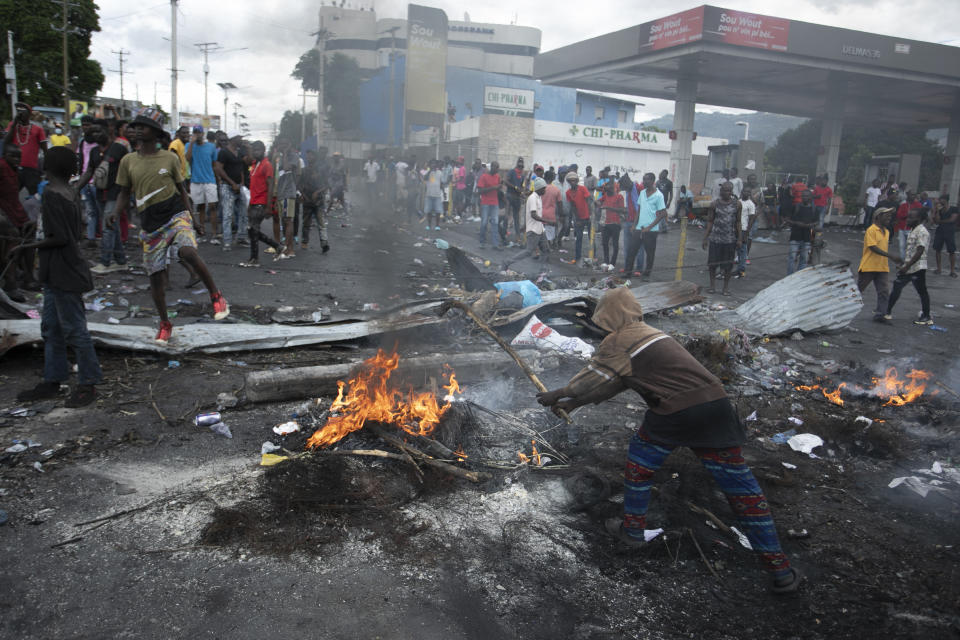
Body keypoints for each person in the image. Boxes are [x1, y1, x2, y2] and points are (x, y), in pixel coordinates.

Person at [535, 288, 800, 594]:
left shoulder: (619, 339)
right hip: (716, 408)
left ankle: (632, 531)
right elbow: (617, 383)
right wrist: (574, 404)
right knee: (741, 490)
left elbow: (593, 377)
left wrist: (558, 394)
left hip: (676, 411)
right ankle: (780, 569)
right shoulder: (651, 333)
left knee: (639, 463)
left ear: (609, 316)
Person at [114, 108, 229, 343]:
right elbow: (124, 193)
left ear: (155, 132)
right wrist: (115, 213)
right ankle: (165, 323)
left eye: (142, 126)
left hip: (176, 215)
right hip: (150, 225)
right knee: (157, 279)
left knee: (187, 251)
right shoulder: (128, 161)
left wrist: (194, 219)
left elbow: (182, 191)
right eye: (135, 126)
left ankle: (216, 296)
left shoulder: (170, 158)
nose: (136, 130)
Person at [13, 146, 102, 407]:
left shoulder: (52, 194)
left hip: (62, 270)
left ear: (46, 167)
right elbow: (59, 228)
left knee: (74, 329)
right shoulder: (69, 192)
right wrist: (37, 228)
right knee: (51, 328)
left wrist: (25, 247)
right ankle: (53, 378)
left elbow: (61, 237)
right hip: (59, 270)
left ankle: (88, 382)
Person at [86, 121, 129, 274]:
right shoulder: (94, 152)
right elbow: (90, 170)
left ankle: (105, 262)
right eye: (94, 133)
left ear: (108, 130)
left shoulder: (119, 149)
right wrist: (77, 187)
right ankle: (120, 261)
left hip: (115, 194)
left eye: (99, 131)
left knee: (107, 228)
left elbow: (129, 169)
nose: (96, 135)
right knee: (113, 227)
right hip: (100, 193)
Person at [885, 208, 932, 325]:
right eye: (908, 217)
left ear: (919, 219)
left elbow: (920, 250)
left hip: (917, 268)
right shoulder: (913, 230)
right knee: (897, 286)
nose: (908, 220)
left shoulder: (922, 231)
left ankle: (926, 316)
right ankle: (887, 311)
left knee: (921, 291)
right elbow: (911, 250)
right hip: (909, 266)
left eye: (911, 217)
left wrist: (907, 266)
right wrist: (904, 264)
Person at [240, 141, 283, 267]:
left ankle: (255, 259)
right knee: (252, 230)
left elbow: (270, 186)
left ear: (263, 150)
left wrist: (269, 206)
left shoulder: (267, 165)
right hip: (254, 201)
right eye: (254, 150)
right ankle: (276, 246)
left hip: (261, 202)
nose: (255, 152)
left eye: (258, 150)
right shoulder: (255, 164)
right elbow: (246, 161)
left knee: (253, 229)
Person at [857, 207, 902, 323]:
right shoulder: (871, 230)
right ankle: (843, 310)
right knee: (858, 291)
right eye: (886, 215)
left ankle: (880, 315)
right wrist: (891, 256)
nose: (889, 217)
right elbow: (872, 247)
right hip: (869, 266)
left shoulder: (886, 231)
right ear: (878, 217)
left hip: (882, 267)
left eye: (890, 215)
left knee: (883, 292)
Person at [0, 145, 32, 301]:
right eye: (13, 157)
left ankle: (28, 276)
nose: (17, 160)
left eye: (19, 157)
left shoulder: (15, 171)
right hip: (4, 213)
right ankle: (10, 282)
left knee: (29, 233)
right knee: (12, 238)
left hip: (13, 209)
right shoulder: (2, 167)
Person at [623, 173, 667, 281]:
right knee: (631, 250)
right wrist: (634, 225)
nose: (644, 182)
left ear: (653, 181)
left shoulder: (659, 195)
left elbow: (663, 213)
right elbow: (639, 209)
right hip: (639, 227)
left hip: (651, 230)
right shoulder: (642, 193)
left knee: (650, 253)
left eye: (646, 180)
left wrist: (649, 227)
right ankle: (628, 272)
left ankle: (646, 275)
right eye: (643, 179)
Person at [502, 177, 549, 271]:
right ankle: (507, 262)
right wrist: (547, 221)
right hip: (533, 230)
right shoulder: (532, 198)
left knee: (546, 250)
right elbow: (533, 215)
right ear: (539, 188)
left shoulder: (539, 197)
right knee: (528, 251)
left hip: (540, 229)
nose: (545, 190)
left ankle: (542, 270)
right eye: (544, 188)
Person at [702, 181, 741, 294]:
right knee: (712, 264)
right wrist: (705, 238)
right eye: (723, 190)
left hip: (729, 240)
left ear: (731, 192)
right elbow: (710, 221)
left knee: (728, 266)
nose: (725, 192)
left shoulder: (737, 204)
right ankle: (712, 286)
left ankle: (725, 288)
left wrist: (739, 239)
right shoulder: (714, 204)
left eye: (727, 190)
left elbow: (738, 222)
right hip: (715, 239)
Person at [213, 133, 248, 252]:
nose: (241, 140)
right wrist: (231, 182)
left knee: (243, 213)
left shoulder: (239, 152)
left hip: (238, 186)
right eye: (239, 138)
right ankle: (227, 241)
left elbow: (242, 166)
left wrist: (241, 182)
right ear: (233, 139)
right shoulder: (224, 152)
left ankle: (241, 237)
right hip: (227, 186)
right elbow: (218, 168)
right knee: (228, 215)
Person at [3, 102, 47, 195]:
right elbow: (6, 142)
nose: (20, 113)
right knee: (10, 195)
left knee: (35, 196)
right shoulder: (12, 125)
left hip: (31, 170)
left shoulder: (38, 129)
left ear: (29, 114)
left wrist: (47, 169)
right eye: (18, 111)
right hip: (13, 169)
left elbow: (45, 150)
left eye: (23, 111)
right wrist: (14, 124)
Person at [185, 125, 219, 242]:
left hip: (210, 180)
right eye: (195, 132)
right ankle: (202, 232)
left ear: (203, 134)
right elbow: (187, 158)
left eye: (199, 132)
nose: (197, 134)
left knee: (213, 206)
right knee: (200, 207)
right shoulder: (189, 146)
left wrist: (217, 179)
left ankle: (214, 234)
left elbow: (214, 164)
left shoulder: (211, 147)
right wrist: (191, 143)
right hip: (196, 181)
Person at [300, 148, 330, 252]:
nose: (309, 157)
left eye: (311, 155)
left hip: (319, 201)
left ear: (315, 157)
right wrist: (303, 195)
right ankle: (304, 242)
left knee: (321, 223)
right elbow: (300, 185)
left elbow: (326, 185)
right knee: (306, 223)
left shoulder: (321, 170)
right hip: (307, 200)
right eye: (307, 155)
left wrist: (317, 192)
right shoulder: (304, 170)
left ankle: (324, 243)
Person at [784, 189, 816, 275]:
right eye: (803, 196)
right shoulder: (795, 206)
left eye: (807, 196)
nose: (804, 198)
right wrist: (796, 223)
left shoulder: (814, 209)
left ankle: (799, 276)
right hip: (795, 236)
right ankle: (789, 276)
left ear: (810, 197)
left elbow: (817, 222)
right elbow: (787, 219)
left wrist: (810, 225)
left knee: (804, 259)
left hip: (807, 238)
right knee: (792, 257)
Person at [565, 173, 592, 264]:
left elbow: (588, 201)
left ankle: (593, 256)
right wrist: (577, 219)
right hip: (579, 218)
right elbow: (573, 206)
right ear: (569, 182)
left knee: (591, 238)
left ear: (576, 181)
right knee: (579, 238)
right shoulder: (568, 193)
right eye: (570, 180)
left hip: (588, 217)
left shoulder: (583, 189)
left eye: (574, 180)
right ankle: (577, 257)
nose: (572, 182)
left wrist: (590, 215)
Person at [598, 180, 626, 267]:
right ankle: (606, 261)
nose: (606, 191)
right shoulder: (606, 196)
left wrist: (609, 208)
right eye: (605, 189)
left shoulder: (619, 197)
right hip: (606, 223)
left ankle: (612, 263)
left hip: (615, 223)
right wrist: (599, 204)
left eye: (607, 189)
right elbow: (598, 201)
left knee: (615, 244)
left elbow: (622, 210)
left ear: (613, 189)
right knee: (605, 243)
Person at [477, 161, 501, 249]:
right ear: (492, 167)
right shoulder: (484, 176)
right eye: (496, 167)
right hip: (485, 202)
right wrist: (493, 188)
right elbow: (479, 190)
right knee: (484, 223)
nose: (497, 169)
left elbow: (498, 189)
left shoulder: (497, 177)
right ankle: (482, 242)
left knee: (495, 223)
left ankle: (495, 244)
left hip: (494, 202)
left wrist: (499, 188)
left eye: (498, 167)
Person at [503, 157, 526, 246]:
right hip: (509, 196)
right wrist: (515, 187)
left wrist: (522, 192)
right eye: (519, 162)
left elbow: (522, 186)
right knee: (506, 216)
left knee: (516, 218)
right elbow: (506, 181)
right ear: (517, 163)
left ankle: (517, 237)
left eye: (522, 163)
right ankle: (504, 234)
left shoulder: (522, 175)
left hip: (517, 198)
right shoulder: (512, 172)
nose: (520, 164)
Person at [931, 195, 957, 277]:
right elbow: (935, 221)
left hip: (949, 231)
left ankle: (952, 270)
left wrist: (941, 221)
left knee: (951, 251)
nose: (939, 201)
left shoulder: (953, 209)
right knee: (938, 249)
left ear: (945, 200)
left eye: (941, 199)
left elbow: (952, 219)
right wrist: (936, 210)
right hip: (940, 231)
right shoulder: (940, 209)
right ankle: (939, 269)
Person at [735, 187, 757, 278]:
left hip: (744, 229)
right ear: (742, 192)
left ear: (750, 193)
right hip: (735, 228)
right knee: (735, 249)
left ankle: (741, 270)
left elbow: (751, 219)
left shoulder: (751, 204)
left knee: (742, 250)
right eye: (745, 191)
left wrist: (747, 232)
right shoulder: (737, 202)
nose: (746, 193)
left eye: (748, 191)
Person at [894, 191, 921, 260]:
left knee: (911, 246)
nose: (913, 196)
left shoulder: (918, 205)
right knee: (902, 246)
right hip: (902, 228)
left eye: (914, 195)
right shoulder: (903, 205)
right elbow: (899, 215)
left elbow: (920, 215)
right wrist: (907, 215)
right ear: (908, 195)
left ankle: (909, 260)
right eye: (911, 195)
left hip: (911, 229)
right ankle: (903, 260)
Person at [423, 159, 444, 231]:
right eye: (432, 164)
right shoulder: (428, 172)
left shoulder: (440, 173)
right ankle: (429, 225)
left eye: (434, 164)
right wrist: (429, 171)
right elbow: (424, 178)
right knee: (429, 211)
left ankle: (437, 226)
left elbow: (441, 183)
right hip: (429, 194)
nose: (433, 165)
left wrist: (443, 192)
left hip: (437, 195)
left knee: (438, 212)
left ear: (436, 165)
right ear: (430, 165)